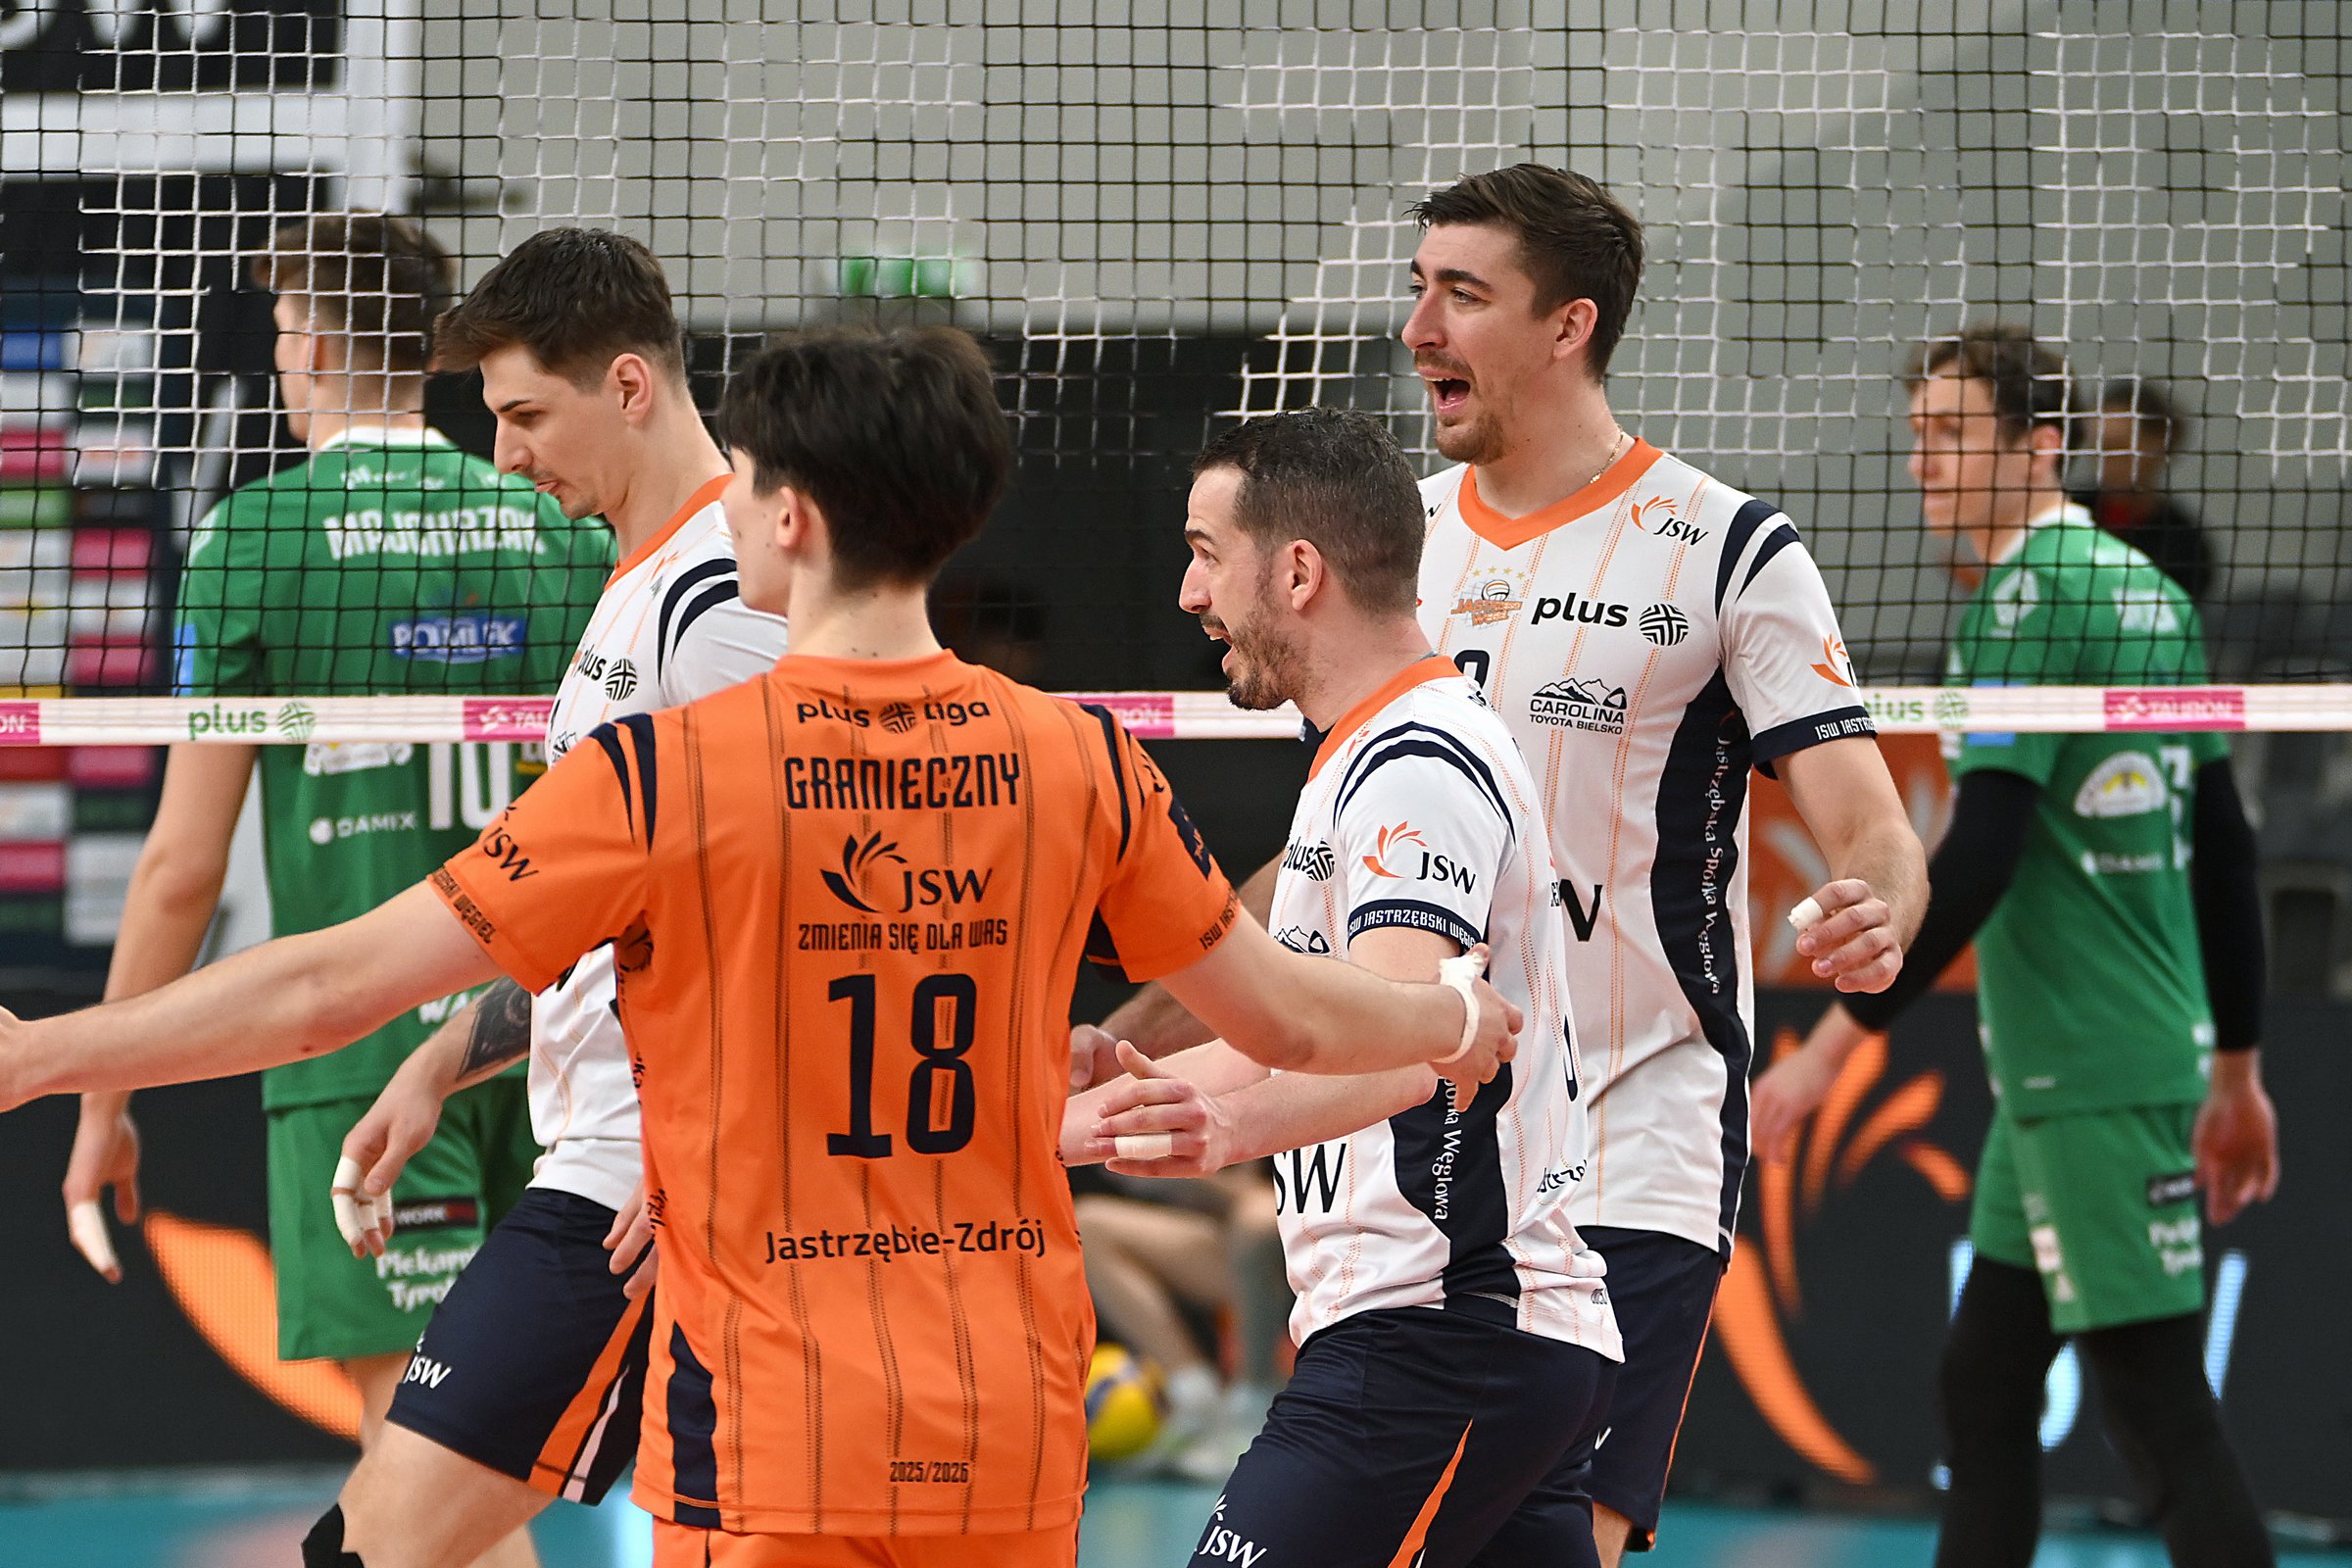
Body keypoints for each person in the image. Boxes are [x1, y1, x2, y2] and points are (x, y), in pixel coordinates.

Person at [0, 324, 1527, 1568]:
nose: (721, 503)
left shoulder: (662, 780)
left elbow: (331, 983)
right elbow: (1292, 1019)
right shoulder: (1083, 763)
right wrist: (1453, 1025)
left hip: (772, 1438)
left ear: (791, 515)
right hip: (1007, 1427)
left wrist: (44, 1053)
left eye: (739, 477)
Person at [1092, 165, 1928, 1563]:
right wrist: (1139, 1039)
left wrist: (1878, 906)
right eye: (1419, 288)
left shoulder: (1727, 548)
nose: (1418, 326)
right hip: (1428, 1140)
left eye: (1461, 294)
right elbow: (1317, 870)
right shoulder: (1381, 545)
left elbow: (1873, 826)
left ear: (1568, 326)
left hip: (1633, 1136)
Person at [59, 213, 608, 1565]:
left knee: (426, 1475)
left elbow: (183, 868)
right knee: (481, 1477)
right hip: (550, 1037)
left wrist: (103, 1097)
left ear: (304, 345)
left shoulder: (255, 537)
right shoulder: (558, 520)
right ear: (430, 349)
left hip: (360, 1054)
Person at [1751, 323, 2279, 1568]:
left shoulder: (2021, 603)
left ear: (2039, 447)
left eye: (1952, 434)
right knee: (1986, 1381)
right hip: (2090, 1064)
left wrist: (1829, 1049)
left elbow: (1981, 855)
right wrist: (2237, 1067)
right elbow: (2222, 844)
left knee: (2157, 1407)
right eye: (1918, 433)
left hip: (2092, 1070)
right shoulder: (2147, 587)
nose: (1923, 461)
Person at [1064, 407, 1621, 1567]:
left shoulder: (1415, 764)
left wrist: (1222, 1128)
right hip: (1476, 1337)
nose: (1188, 592)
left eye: (1206, 552)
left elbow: (1416, 1046)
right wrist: (1106, 1098)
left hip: (1439, 1339)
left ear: (1298, 572)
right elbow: (1313, 1028)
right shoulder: (1363, 754)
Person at [312, 229, 791, 1568]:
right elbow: (627, 917)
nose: (506, 453)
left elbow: (805, 908)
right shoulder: (645, 585)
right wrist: (440, 1061)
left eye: (525, 414)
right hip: (610, 1154)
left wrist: (713, 1154)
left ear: (628, 385)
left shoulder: (720, 599)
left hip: (643, 1186)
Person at [2071, 376, 2214, 601]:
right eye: (2097, 449)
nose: (2106, 460)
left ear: (2159, 444)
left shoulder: (2184, 544)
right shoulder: (2069, 516)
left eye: (2118, 447)